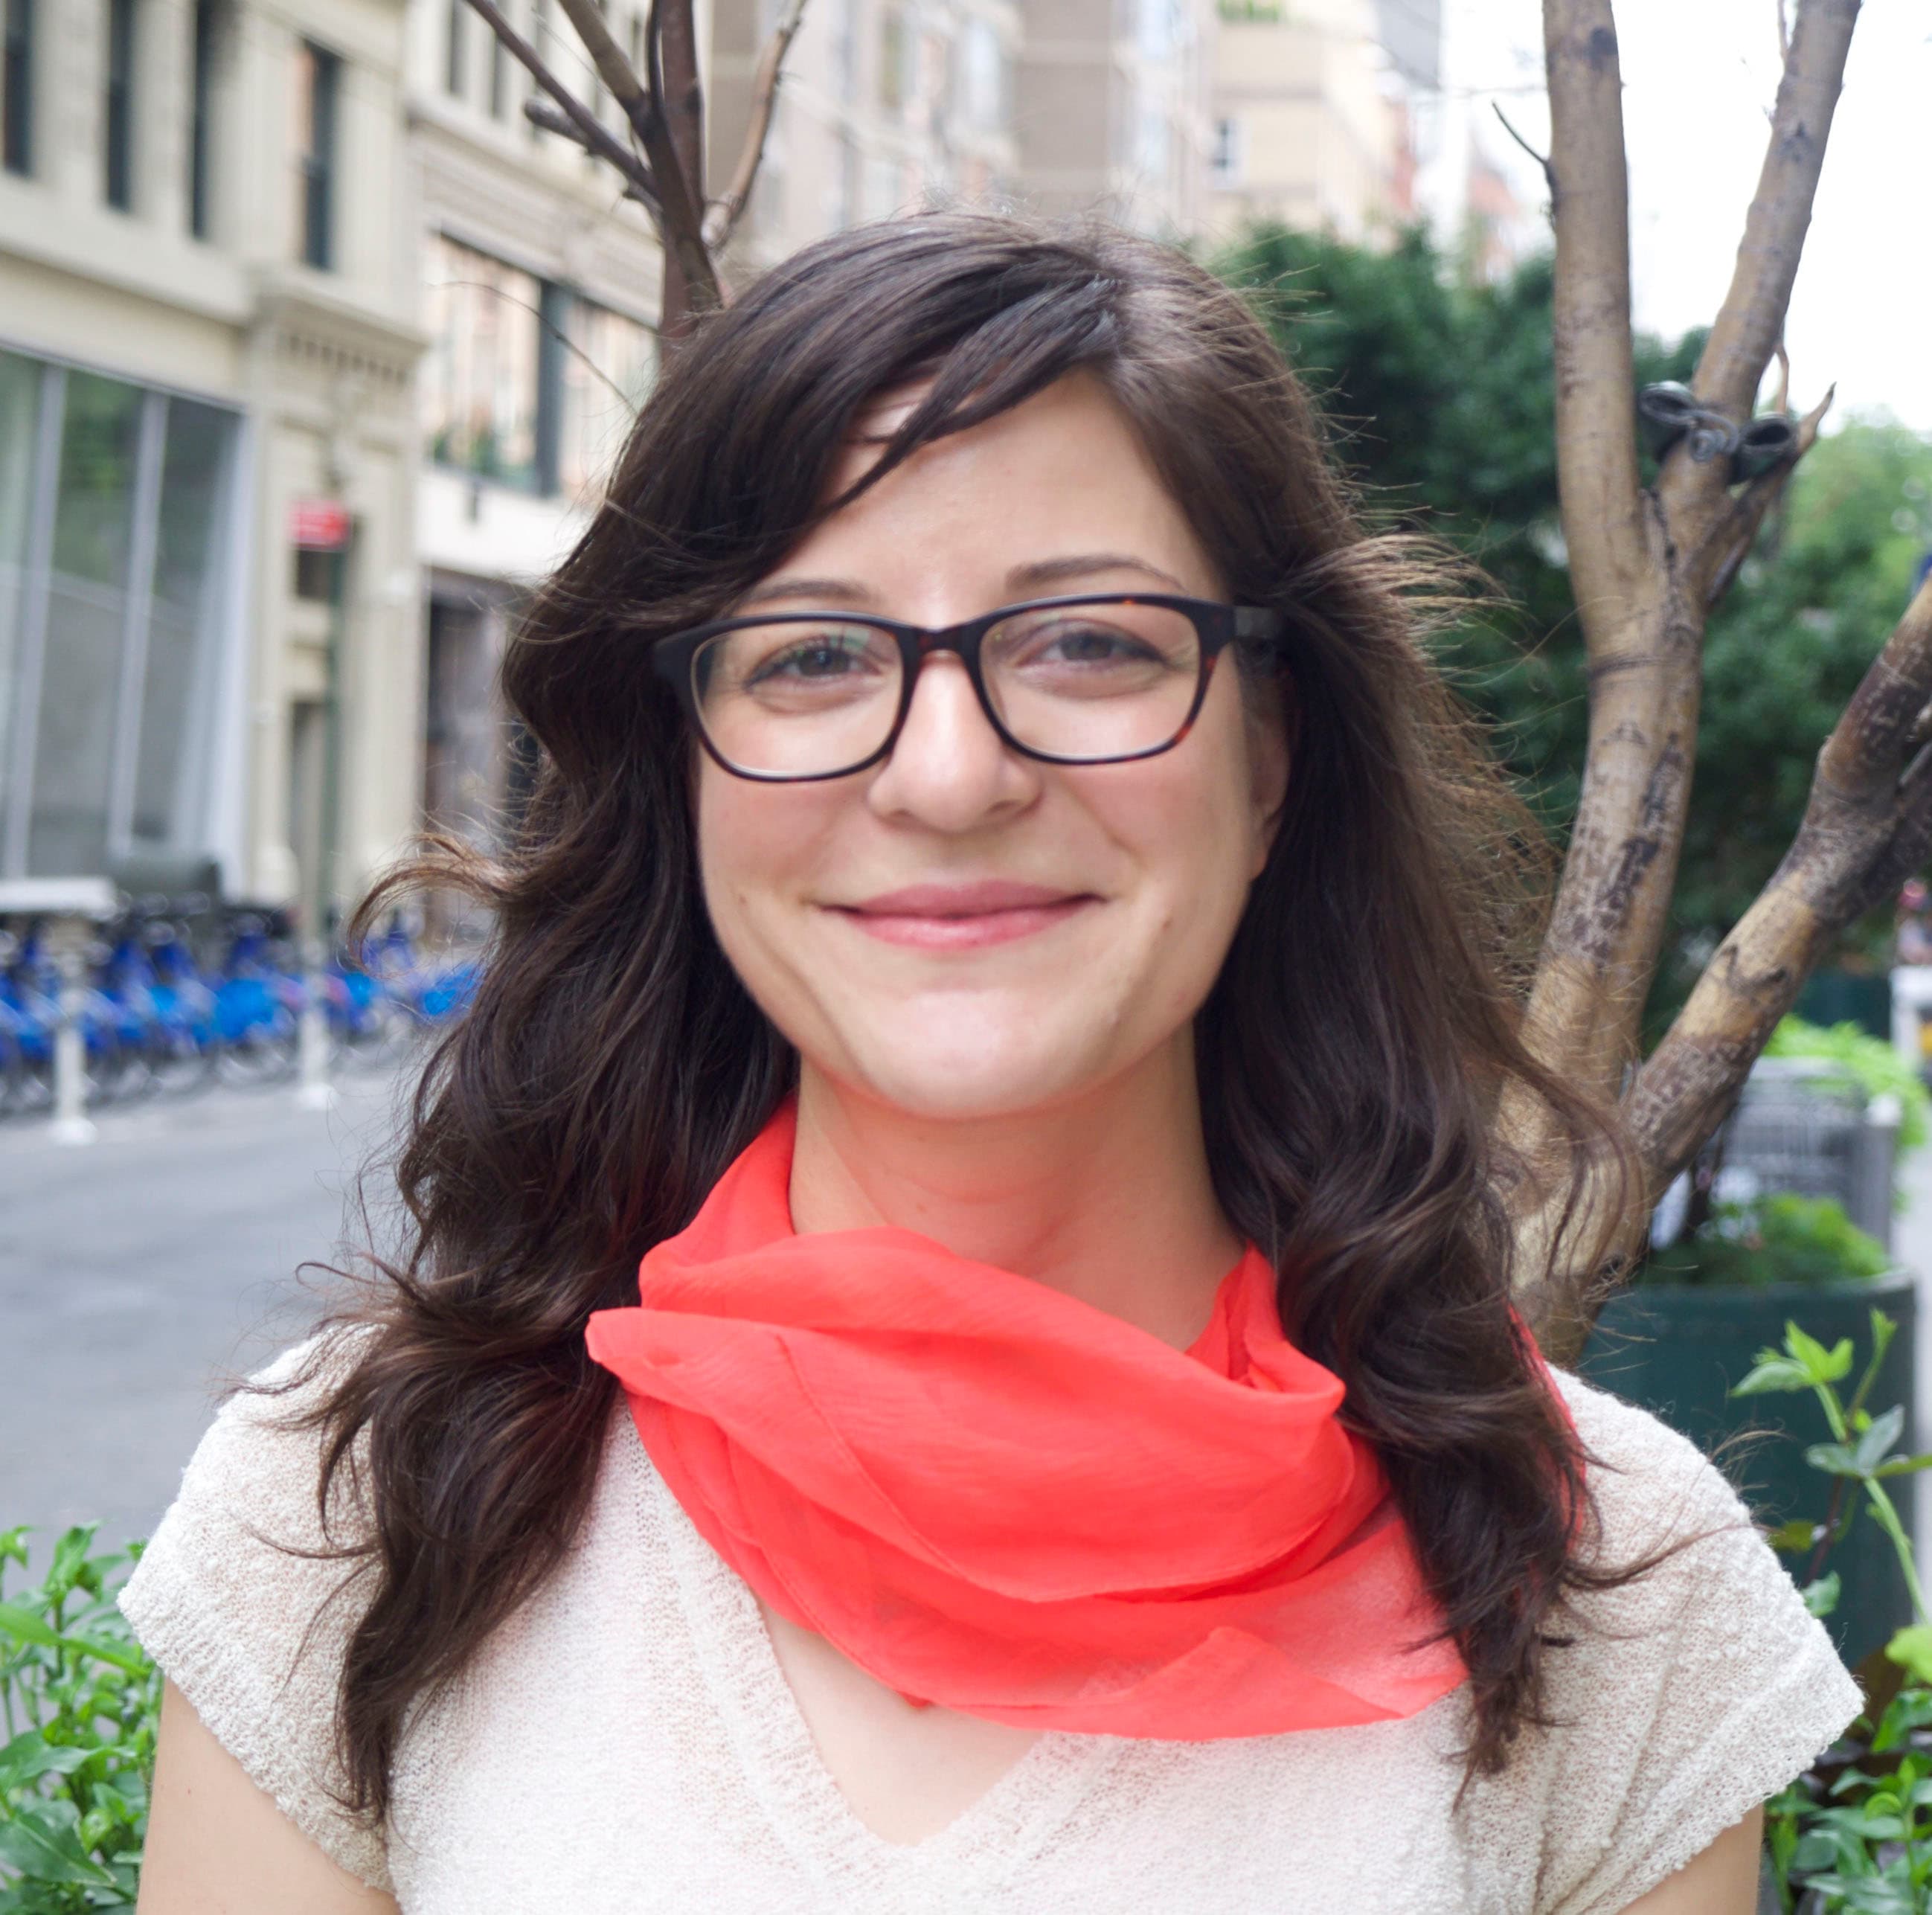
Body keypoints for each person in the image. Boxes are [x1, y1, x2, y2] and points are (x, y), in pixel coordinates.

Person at [125, 214, 1859, 1914]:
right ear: (683, 773)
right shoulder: (360, 1504)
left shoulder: (1610, 1585)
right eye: (811, 655)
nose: (948, 776)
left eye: (1089, 641)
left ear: (1271, 762)